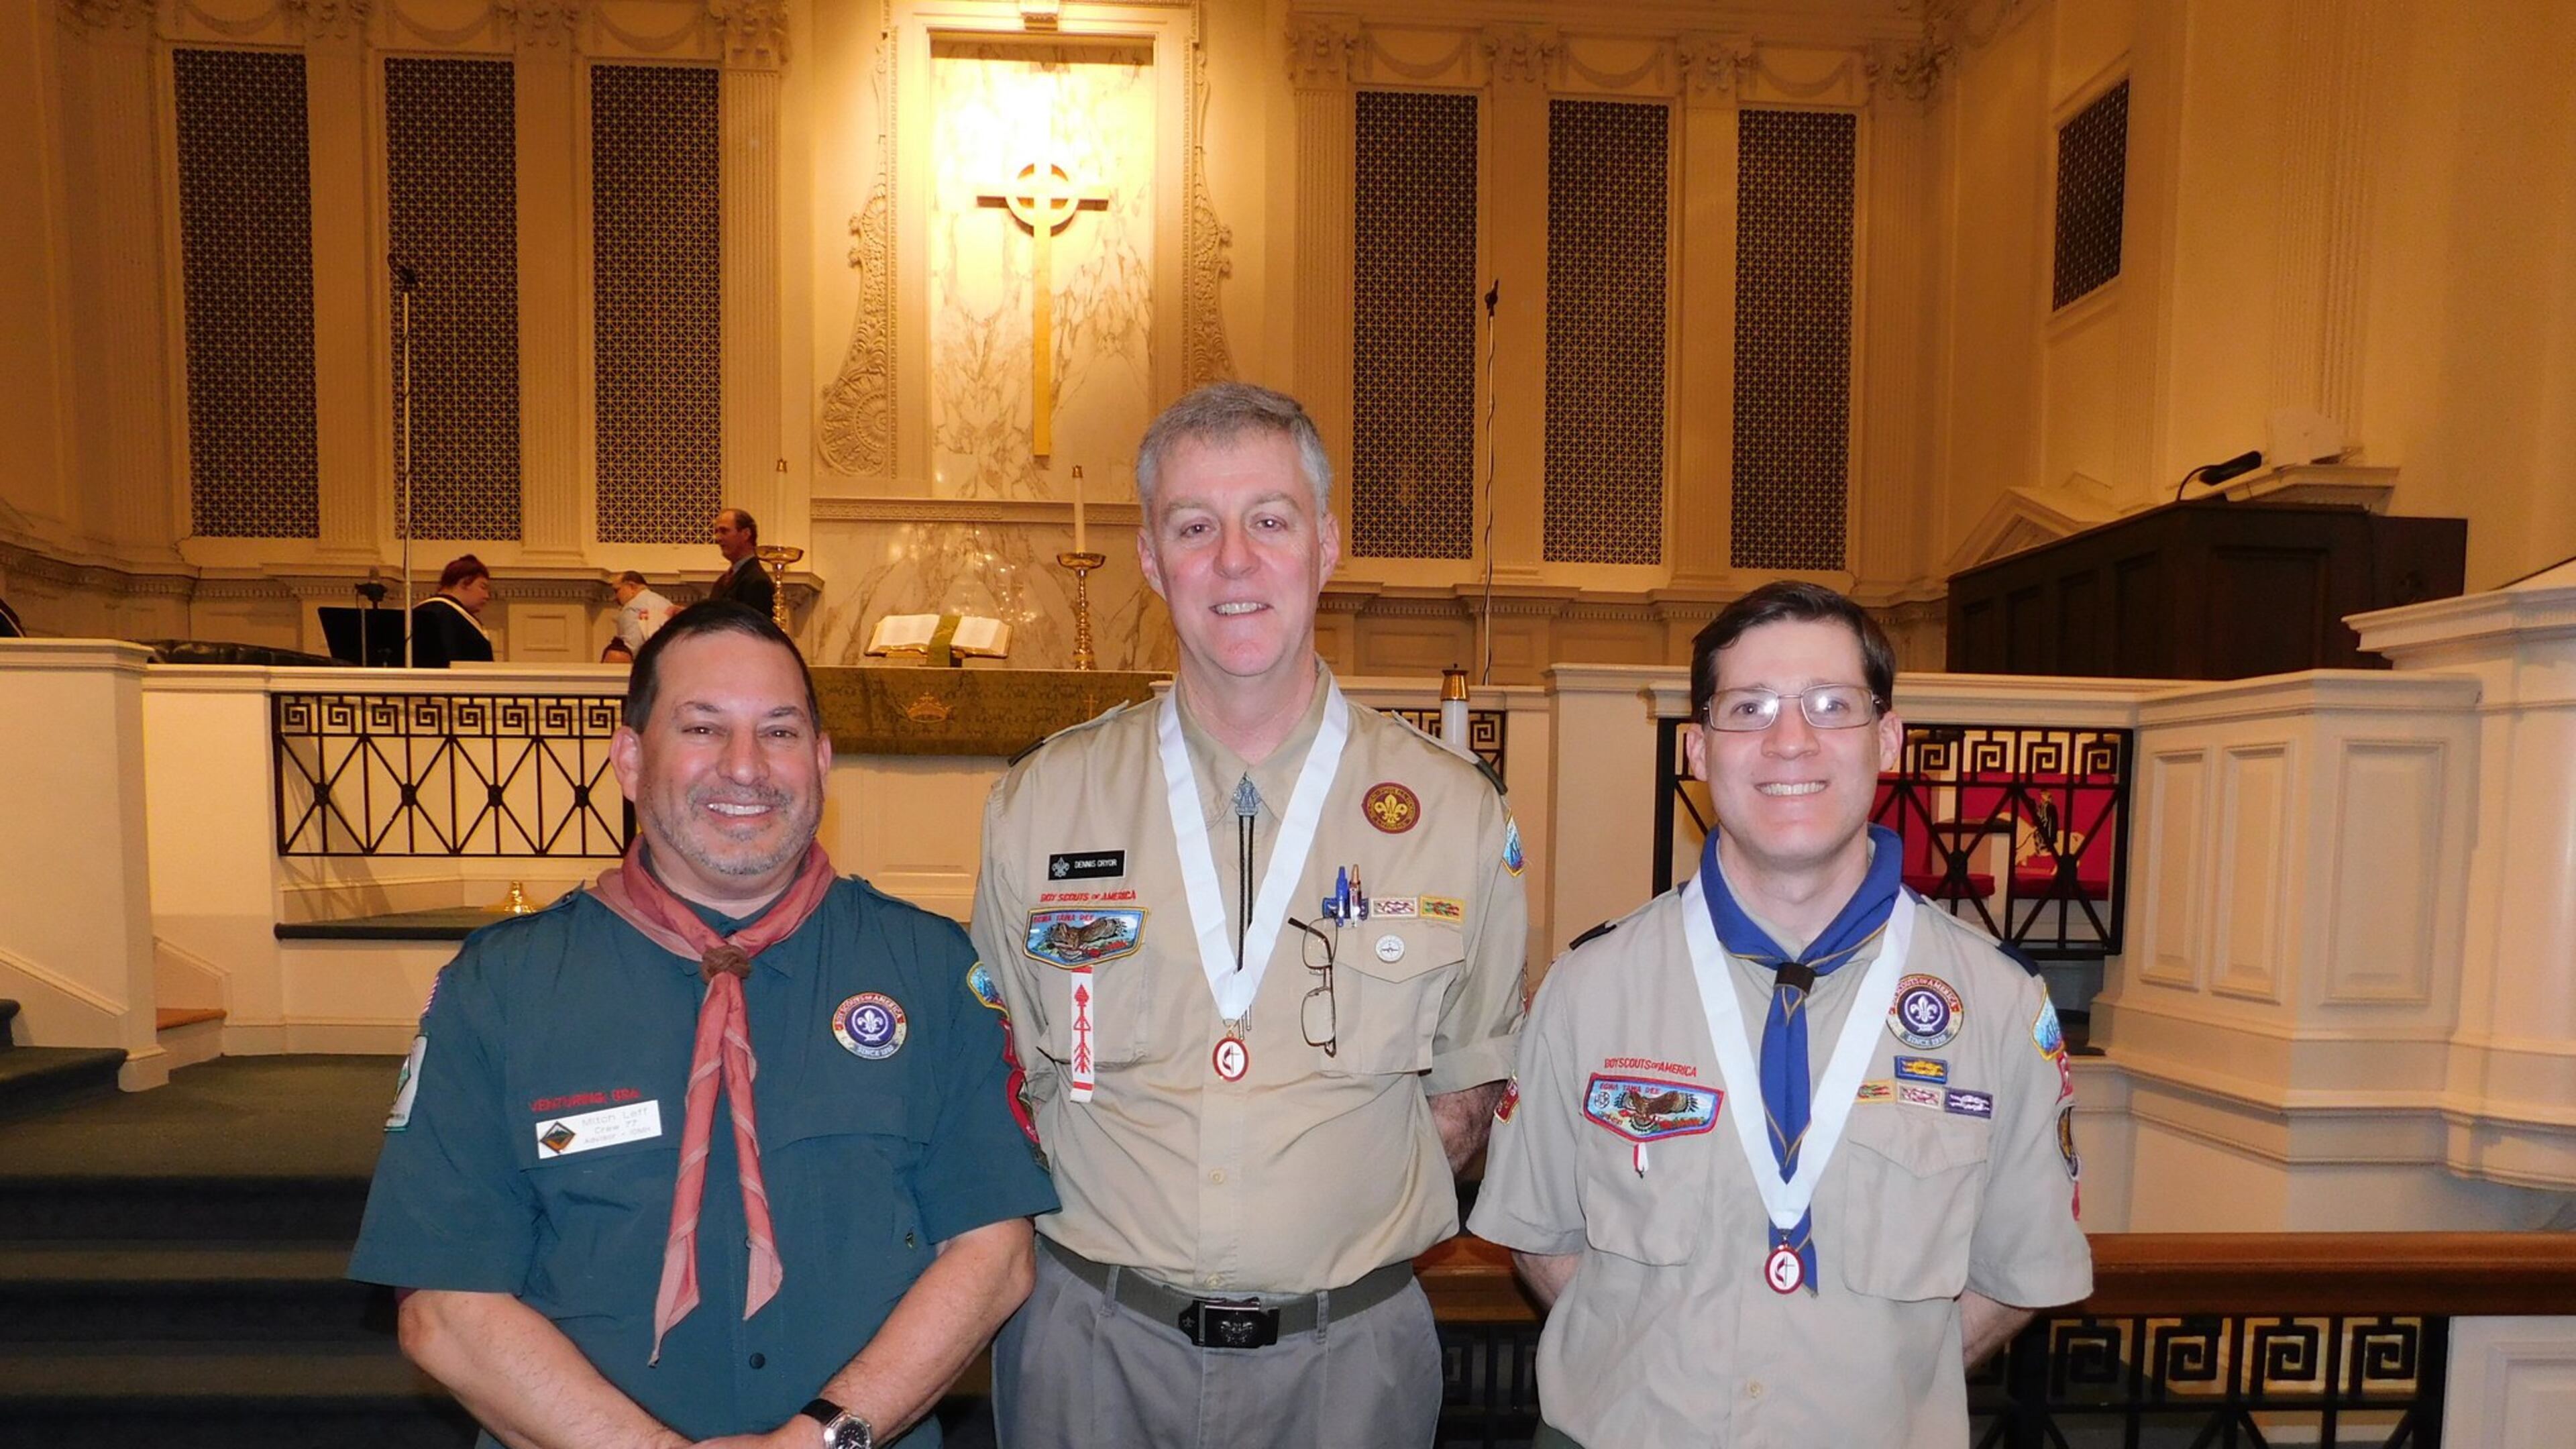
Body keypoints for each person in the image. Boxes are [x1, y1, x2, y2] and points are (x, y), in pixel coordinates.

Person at [350, 601, 1058, 1449]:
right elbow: (443, 1305)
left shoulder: (932, 971)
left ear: (823, 760)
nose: (746, 767)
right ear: (629, 758)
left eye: (781, 732)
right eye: (702, 728)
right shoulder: (500, 989)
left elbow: (994, 1252)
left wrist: (821, 1439)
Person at [975, 382, 1528, 1448]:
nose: (1234, 560)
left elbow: (1467, 1096)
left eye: (1269, 520)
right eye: (1195, 527)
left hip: (1348, 1366)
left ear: (1325, 543)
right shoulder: (1040, 803)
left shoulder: (1454, 811)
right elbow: (1006, 1080)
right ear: (1151, 559)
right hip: (1092, 1358)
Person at [1468, 582, 2092, 1448]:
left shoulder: (1996, 1001)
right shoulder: (1590, 986)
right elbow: (1542, 1240)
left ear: (1887, 738)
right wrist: (1652, 1375)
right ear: (1697, 748)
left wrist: (1869, 1393)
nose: (1790, 741)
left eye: (1831, 706)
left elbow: (2017, 1270)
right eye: (1749, 707)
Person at [411, 555, 496, 668]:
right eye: (483, 587)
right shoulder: (449, 617)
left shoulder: (420, 612)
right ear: (464, 582)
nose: (486, 596)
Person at [708, 508, 775, 621]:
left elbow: (753, 630)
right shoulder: (724, 580)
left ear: (746, 534)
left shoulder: (757, 582)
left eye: (724, 531)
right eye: (716, 532)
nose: (718, 538)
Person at [608, 570, 678, 663]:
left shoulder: (631, 608)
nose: (615, 597)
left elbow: (631, 650)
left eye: (617, 590)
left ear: (631, 586)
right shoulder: (665, 602)